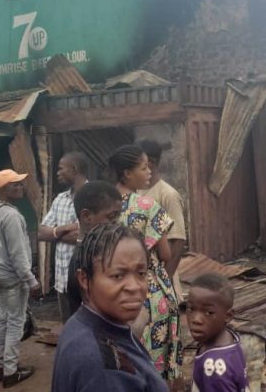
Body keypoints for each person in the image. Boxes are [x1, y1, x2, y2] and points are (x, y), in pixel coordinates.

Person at [51, 223, 168, 392]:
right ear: (84, 279)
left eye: (141, 273)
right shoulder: (104, 369)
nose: (135, 286)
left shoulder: (81, 324)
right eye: (118, 276)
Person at [108, 145, 182, 382]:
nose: (149, 171)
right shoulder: (147, 206)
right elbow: (166, 254)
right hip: (149, 292)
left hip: (113, 291)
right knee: (154, 359)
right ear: (127, 173)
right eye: (143, 167)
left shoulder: (105, 206)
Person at [0, 169, 40, 387]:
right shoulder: (12, 216)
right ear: (5, 190)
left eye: (20, 184)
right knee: (15, 322)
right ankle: (10, 372)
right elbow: (18, 254)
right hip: (12, 276)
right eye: (16, 185)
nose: (21, 187)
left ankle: (1, 366)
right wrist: (31, 280)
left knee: (4, 320)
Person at [38, 152, 88, 322]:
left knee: (88, 328)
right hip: (61, 280)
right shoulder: (60, 199)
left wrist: (54, 233)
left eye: (61, 169)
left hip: (84, 279)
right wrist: (67, 228)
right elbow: (40, 232)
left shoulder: (93, 196)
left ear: (74, 169)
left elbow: (84, 234)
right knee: (68, 326)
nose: (57, 173)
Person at [65, 181, 124, 318]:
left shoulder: (98, 252)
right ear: (86, 216)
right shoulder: (84, 259)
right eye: (111, 216)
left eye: (118, 216)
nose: (117, 223)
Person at [138, 140, 187, 300]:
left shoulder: (167, 195)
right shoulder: (135, 191)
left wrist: (165, 281)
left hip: (159, 278)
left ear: (150, 163)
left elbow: (178, 240)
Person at [186, 273, 250, 392]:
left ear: (228, 316)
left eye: (209, 312)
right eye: (191, 309)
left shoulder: (214, 368)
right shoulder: (230, 338)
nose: (196, 319)